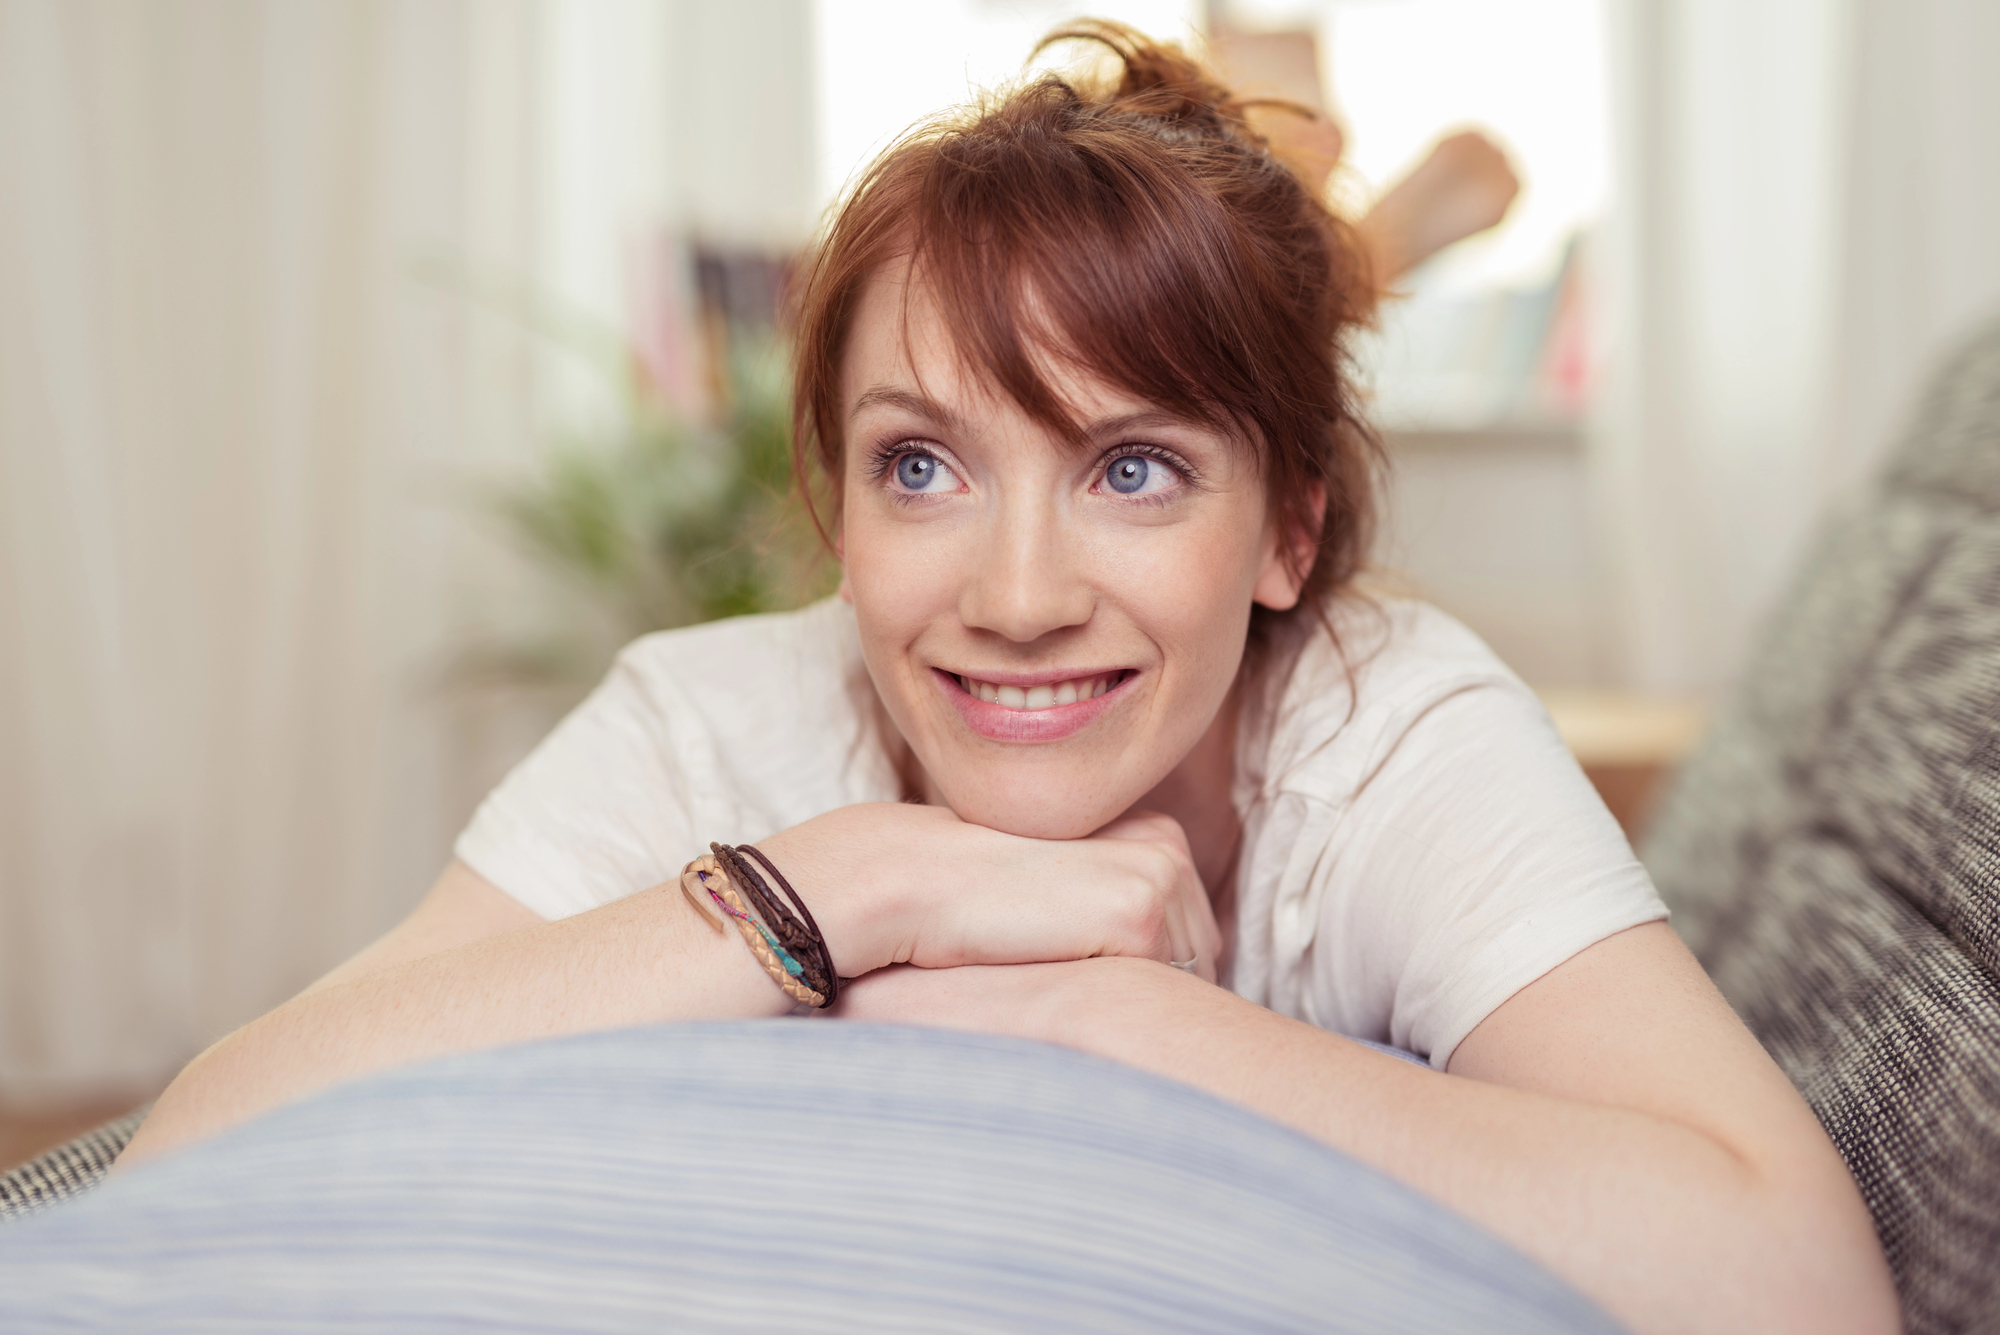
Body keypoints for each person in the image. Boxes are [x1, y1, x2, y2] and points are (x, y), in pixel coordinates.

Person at [117, 23, 1899, 1335]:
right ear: (834, 508)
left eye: (1132, 469)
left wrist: (1110, 1021)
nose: (1020, 596)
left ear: (1292, 530)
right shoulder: (715, 720)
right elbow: (194, 1152)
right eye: (921, 466)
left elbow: (1794, 1285)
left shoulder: (1391, 729)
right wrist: (854, 888)